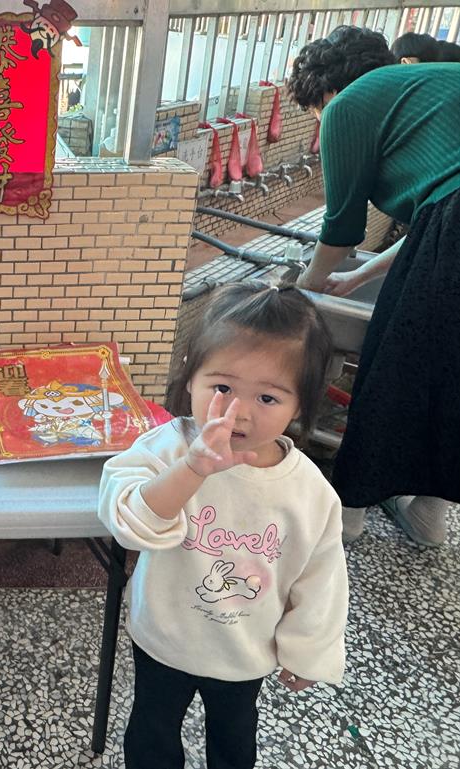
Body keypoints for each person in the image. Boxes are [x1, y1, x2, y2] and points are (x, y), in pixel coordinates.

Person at [98, 282, 348, 769]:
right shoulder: (164, 449)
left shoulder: (308, 491)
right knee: (152, 729)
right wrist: (192, 468)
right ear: (190, 378)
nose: (239, 413)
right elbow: (129, 523)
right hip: (165, 636)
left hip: (245, 650)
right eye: (222, 388)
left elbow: (322, 578)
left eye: (268, 397)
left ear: (300, 405)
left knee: (234, 737)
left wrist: (309, 650)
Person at [290, 26, 460, 546]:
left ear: (326, 93)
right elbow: (435, 223)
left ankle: (347, 513)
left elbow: (341, 228)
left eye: (316, 114)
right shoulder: (434, 86)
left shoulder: (346, 106)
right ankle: (430, 512)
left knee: (391, 369)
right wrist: (360, 276)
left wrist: (301, 292)